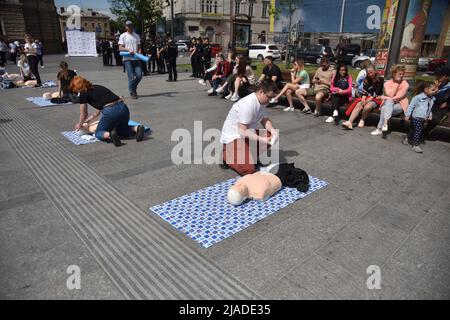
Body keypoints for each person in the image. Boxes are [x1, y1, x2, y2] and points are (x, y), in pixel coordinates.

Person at [220, 79, 279, 176]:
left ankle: (250, 156)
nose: (270, 100)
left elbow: (265, 120)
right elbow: (242, 131)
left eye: (272, 98)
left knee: (270, 135)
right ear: (261, 92)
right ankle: (226, 155)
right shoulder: (248, 104)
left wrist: (273, 131)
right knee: (248, 170)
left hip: (247, 133)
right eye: (269, 97)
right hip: (234, 136)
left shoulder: (262, 102)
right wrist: (262, 139)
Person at [69, 76, 146, 147]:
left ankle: (109, 134)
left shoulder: (83, 94)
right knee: (122, 130)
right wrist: (87, 121)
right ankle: (136, 128)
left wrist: (79, 124)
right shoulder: (97, 87)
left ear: (77, 87)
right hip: (123, 108)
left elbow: (83, 114)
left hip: (111, 111)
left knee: (98, 133)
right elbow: (98, 112)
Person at [370, 64, 409, 137]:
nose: (401, 76)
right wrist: (396, 84)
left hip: (400, 104)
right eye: (399, 74)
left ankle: (380, 128)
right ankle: (384, 124)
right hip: (389, 104)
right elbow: (390, 95)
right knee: (387, 105)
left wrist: (383, 97)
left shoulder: (405, 84)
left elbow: (398, 97)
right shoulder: (387, 83)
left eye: (402, 74)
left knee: (385, 107)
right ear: (394, 74)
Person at [342, 65, 383, 129]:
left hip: (377, 99)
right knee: (359, 103)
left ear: (375, 71)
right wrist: (363, 99)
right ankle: (349, 122)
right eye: (368, 73)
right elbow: (364, 92)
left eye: (371, 72)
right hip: (368, 97)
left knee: (367, 106)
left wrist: (366, 101)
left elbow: (375, 94)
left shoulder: (380, 80)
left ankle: (362, 119)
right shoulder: (366, 80)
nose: (370, 74)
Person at [402, 81, 438, 153]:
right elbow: (411, 106)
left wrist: (429, 116)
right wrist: (407, 115)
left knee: (413, 130)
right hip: (416, 117)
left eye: (435, 90)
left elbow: (429, 108)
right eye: (433, 90)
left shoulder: (432, 99)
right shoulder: (418, 98)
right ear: (426, 89)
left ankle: (407, 138)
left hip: (423, 118)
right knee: (418, 131)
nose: (435, 91)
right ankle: (415, 145)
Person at [118, 21, 143, 99]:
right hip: (127, 59)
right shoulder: (123, 36)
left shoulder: (137, 36)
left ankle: (133, 87)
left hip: (136, 58)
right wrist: (128, 50)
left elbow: (139, 47)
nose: (130, 27)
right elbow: (120, 47)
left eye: (131, 26)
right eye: (128, 26)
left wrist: (139, 52)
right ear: (126, 27)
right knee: (131, 76)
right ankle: (132, 92)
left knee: (139, 75)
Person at [424, 66, 450, 138]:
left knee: (434, 118)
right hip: (431, 104)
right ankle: (416, 130)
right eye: (437, 74)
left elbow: (440, 99)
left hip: (440, 107)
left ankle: (425, 132)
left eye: (440, 75)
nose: (437, 76)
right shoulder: (435, 83)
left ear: (446, 77)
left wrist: (447, 104)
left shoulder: (448, 87)